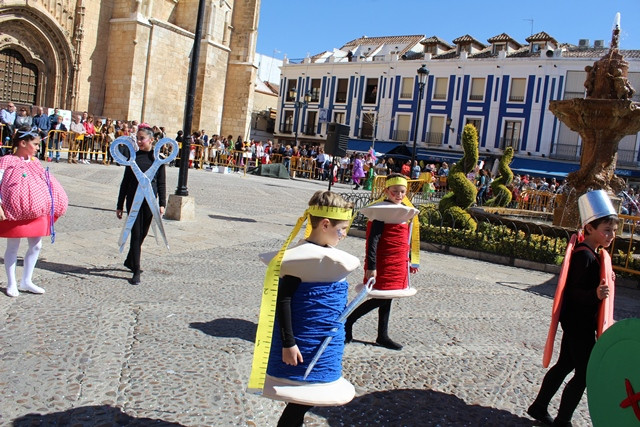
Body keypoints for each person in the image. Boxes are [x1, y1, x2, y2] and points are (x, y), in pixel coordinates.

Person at [261, 190, 359, 427]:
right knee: (301, 397)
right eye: (342, 229)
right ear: (325, 224)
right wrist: (288, 343)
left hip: (321, 345)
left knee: (306, 397)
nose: (344, 234)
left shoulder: (330, 257)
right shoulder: (300, 260)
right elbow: (283, 301)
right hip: (301, 344)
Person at [527, 190, 618, 426]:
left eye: (614, 230)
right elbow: (574, 292)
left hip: (578, 322)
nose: (611, 235)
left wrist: (606, 275)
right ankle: (563, 420)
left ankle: (539, 407)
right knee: (585, 374)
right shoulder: (584, 256)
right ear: (589, 228)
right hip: (580, 324)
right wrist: (595, 294)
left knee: (565, 365)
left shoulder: (592, 255)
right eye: (606, 230)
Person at [345, 173, 419, 350]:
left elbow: (405, 240)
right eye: (395, 191)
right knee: (380, 297)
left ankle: (382, 335)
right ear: (387, 191)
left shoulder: (403, 211)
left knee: (389, 297)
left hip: (397, 263)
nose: (399, 195)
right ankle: (348, 321)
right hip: (382, 263)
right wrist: (372, 266)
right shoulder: (381, 211)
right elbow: (373, 241)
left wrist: (409, 262)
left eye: (402, 192)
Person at [1, 125, 68, 297]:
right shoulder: (7, 160)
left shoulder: (35, 162)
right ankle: (11, 282)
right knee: (13, 246)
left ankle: (27, 280)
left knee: (36, 245)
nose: (38, 147)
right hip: (13, 210)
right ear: (23, 143)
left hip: (36, 210)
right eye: (36, 144)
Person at [116, 126, 167, 285]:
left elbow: (161, 182)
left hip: (150, 201)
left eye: (142, 138)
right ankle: (136, 269)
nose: (138, 141)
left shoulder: (157, 159)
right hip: (134, 200)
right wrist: (120, 204)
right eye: (137, 138)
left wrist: (162, 203)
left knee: (143, 233)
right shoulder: (133, 157)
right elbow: (125, 182)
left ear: (151, 140)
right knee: (136, 234)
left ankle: (130, 260)